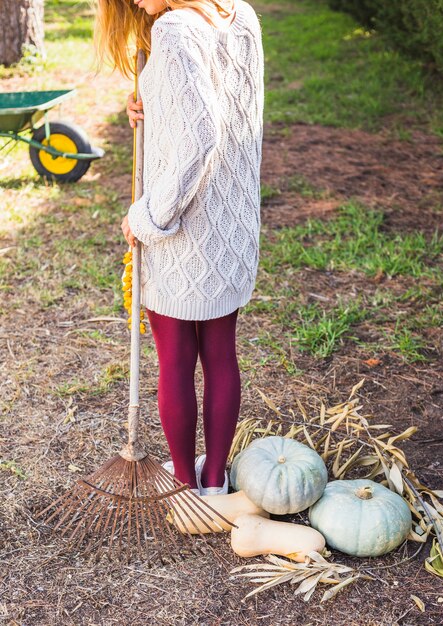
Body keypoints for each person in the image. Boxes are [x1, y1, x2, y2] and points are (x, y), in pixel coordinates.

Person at [93, 0, 264, 495]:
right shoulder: (243, 16)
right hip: (230, 225)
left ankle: (186, 483)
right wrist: (148, 106)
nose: (132, 4)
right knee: (220, 354)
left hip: (183, 227)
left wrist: (148, 216)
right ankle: (215, 480)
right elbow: (231, 114)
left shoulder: (172, 29)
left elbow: (200, 140)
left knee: (174, 359)